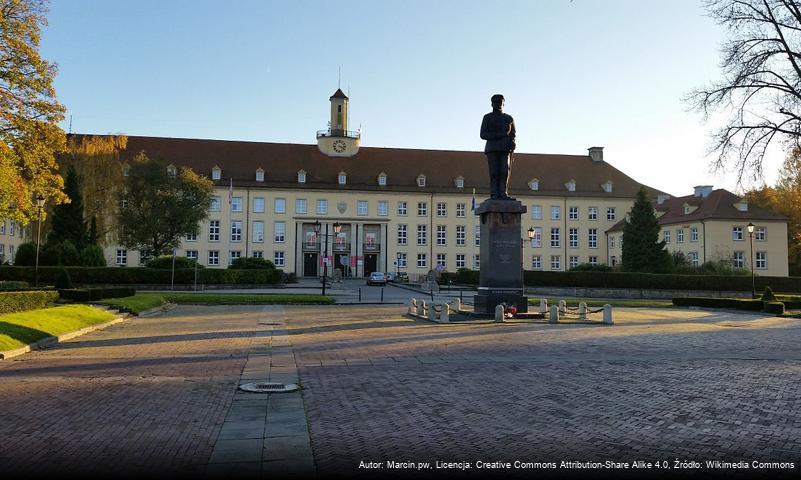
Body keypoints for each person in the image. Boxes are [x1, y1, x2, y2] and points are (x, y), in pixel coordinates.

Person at [480, 94, 516, 200]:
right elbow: (483, 134)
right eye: (496, 102)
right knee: (494, 172)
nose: (498, 104)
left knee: (504, 171)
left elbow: (513, 134)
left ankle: (503, 193)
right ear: (492, 104)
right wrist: (498, 135)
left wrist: (513, 142)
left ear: (503, 103)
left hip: (505, 149)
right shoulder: (487, 117)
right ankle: (494, 194)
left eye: (500, 102)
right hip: (492, 148)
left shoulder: (508, 118)